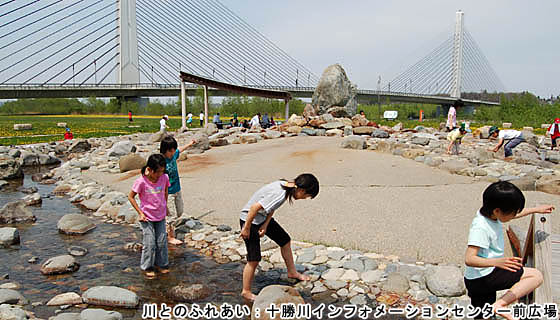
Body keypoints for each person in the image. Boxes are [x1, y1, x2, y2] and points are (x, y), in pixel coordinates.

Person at [464, 181, 554, 320]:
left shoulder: (491, 214)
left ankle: (495, 307)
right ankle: (499, 305)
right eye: (512, 212)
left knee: (483, 315)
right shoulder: (480, 228)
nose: (514, 216)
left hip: (477, 278)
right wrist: (498, 262)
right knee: (535, 276)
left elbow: (512, 215)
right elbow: (469, 259)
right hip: (484, 277)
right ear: (497, 211)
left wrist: (536, 210)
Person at [239, 173, 320, 301]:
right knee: (253, 259)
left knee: (285, 240)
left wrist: (265, 225)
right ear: (302, 190)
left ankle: (292, 272)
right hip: (249, 220)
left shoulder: (286, 185)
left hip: (261, 218)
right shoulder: (280, 193)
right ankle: (246, 291)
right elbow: (254, 208)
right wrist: (246, 228)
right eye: (306, 196)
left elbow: (270, 207)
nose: (304, 198)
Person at [128, 154, 170, 278]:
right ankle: (147, 267)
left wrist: (165, 205)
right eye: (157, 172)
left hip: (160, 215)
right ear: (150, 169)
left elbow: (165, 191)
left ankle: (161, 264)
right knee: (150, 243)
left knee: (162, 241)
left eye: (162, 171)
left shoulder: (164, 178)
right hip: (146, 217)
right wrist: (140, 213)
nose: (159, 175)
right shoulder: (141, 181)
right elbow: (131, 197)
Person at [160, 136, 196, 245]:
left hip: (177, 189)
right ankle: (170, 237)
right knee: (170, 215)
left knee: (180, 212)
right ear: (164, 150)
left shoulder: (173, 155)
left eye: (173, 150)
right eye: (170, 151)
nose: (172, 153)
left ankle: (166, 225)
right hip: (167, 192)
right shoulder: (161, 161)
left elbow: (180, 149)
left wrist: (190, 143)